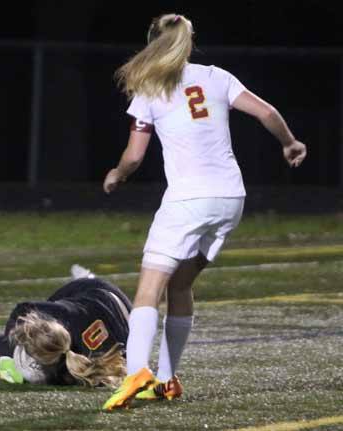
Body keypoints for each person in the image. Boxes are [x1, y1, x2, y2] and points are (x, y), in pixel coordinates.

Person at [101, 13, 307, 411]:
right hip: (230, 199)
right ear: (190, 42)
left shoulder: (149, 86)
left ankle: (137, 371)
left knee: (149, 288)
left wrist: (116, 175)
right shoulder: (216, 76)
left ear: (151, 43)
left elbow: (134, 156)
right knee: (179, 285)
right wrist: (290, 143)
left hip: (188, 200)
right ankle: (167, 379)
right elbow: (266, 113)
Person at [0, 271, 132, 388]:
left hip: (116, 309)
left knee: (14, 346)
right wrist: (6, 355)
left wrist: (5, 353)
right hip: (100, 298)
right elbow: (22, 309)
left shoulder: (69, 368)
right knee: (15, 340)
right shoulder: (65, 316)